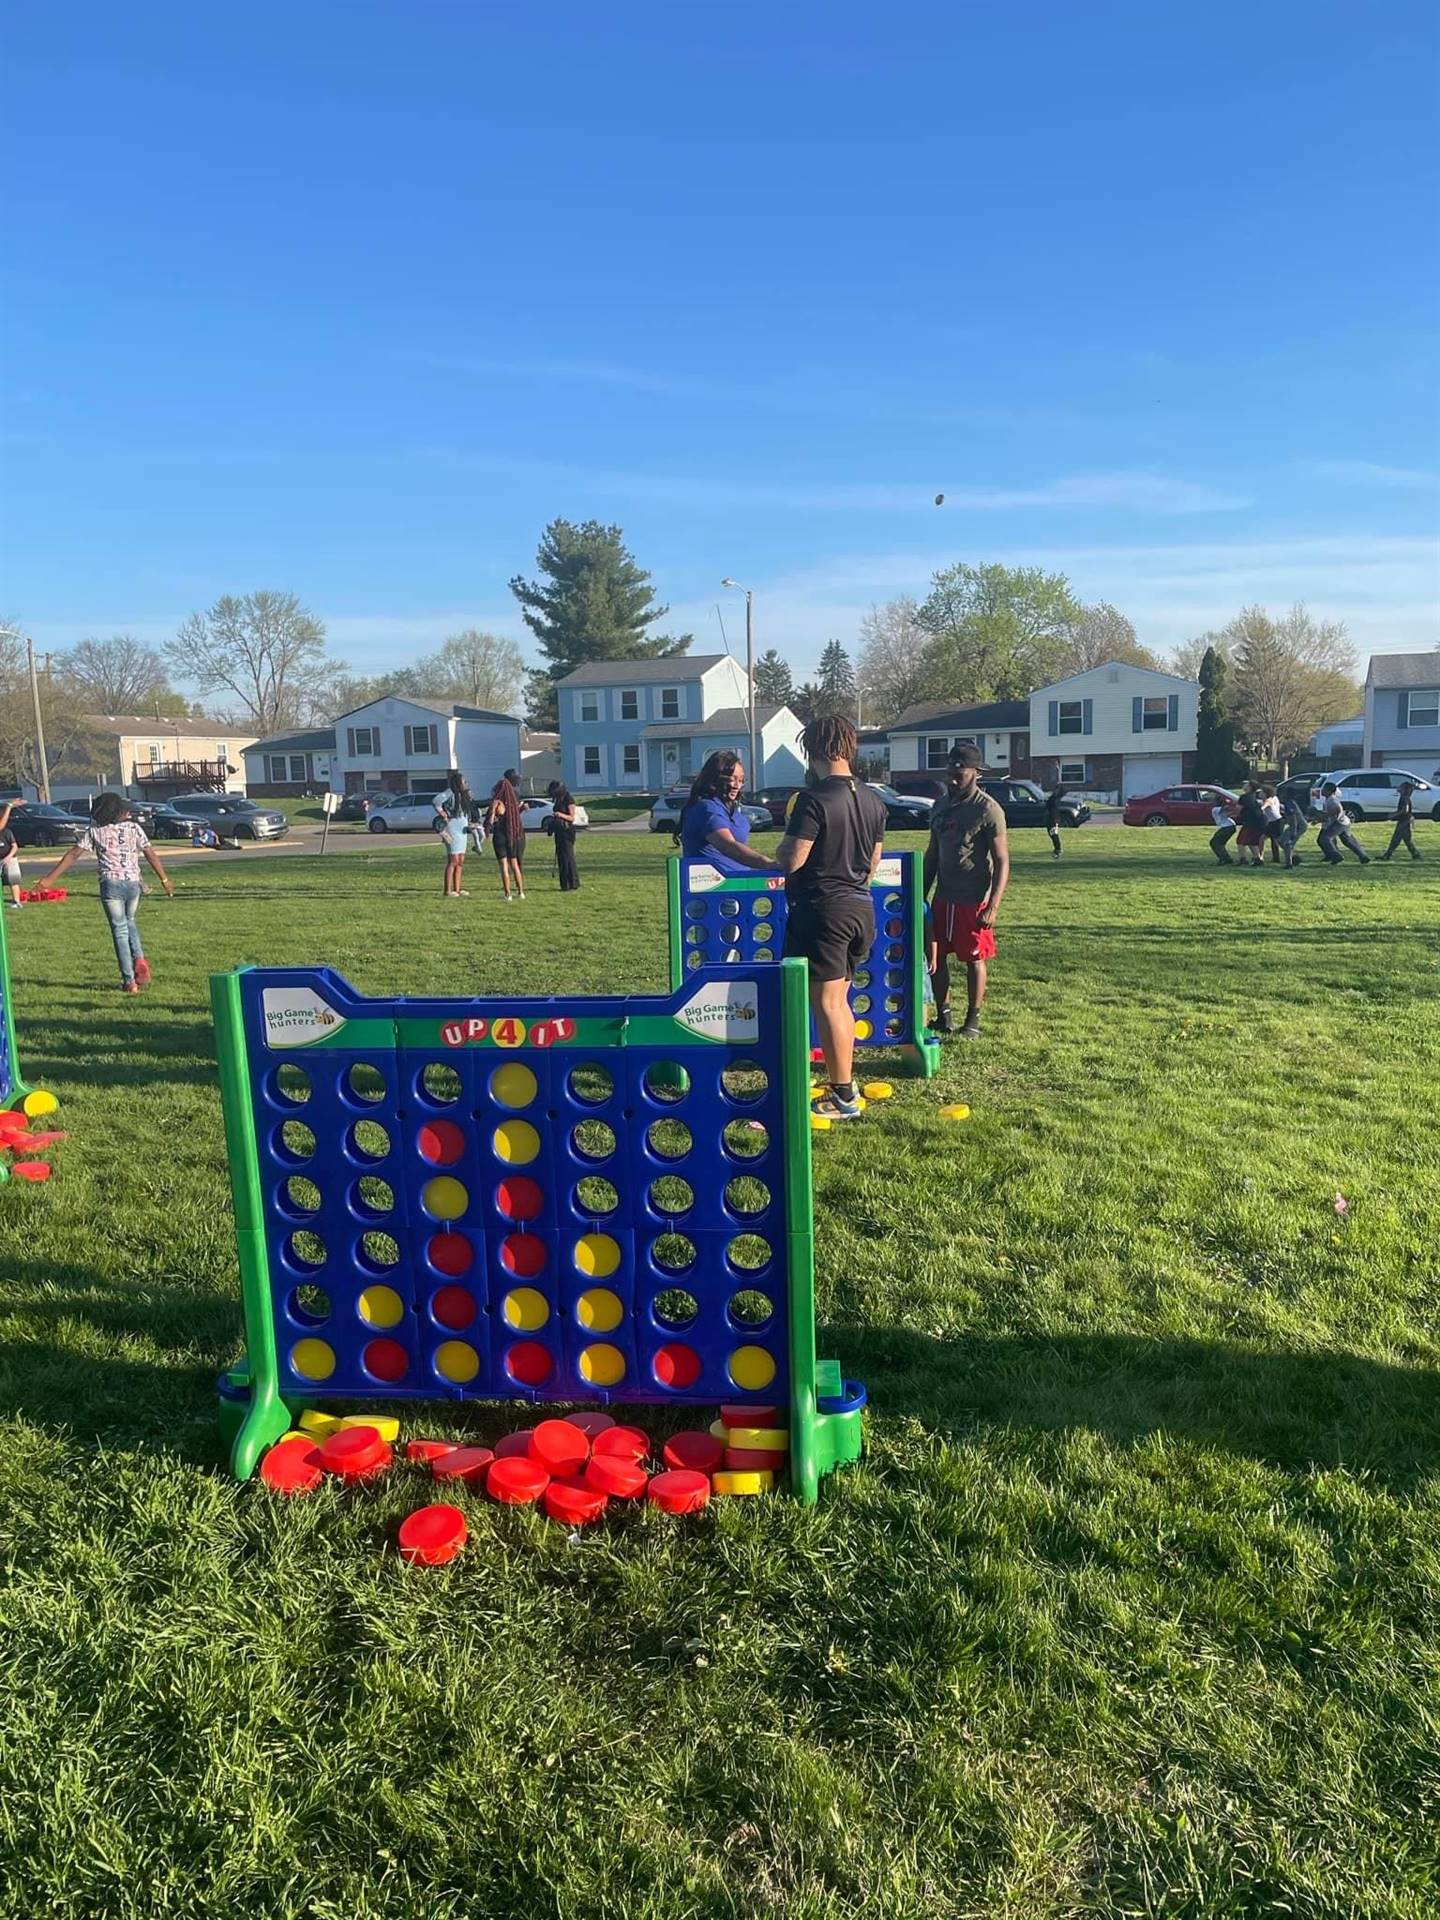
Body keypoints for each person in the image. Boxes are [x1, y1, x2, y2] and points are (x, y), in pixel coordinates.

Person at [771, 716, 886, 1121]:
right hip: (861, 908)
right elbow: (873, 862)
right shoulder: (874, 799)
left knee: (827, 1003)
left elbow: (792, 860)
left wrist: (782, 845)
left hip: (824, 909)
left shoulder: (813, 799)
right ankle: (842, 1083)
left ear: (814, 750)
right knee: (840, 1001)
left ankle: (843, 1096)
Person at [42, 792, 174, 992]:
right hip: (132, 883)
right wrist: (164, 879)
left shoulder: (96, 831)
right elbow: (150, 854)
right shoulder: (134, 828)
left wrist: (50, 878)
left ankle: (129, 981)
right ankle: (139, 957)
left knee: (119, 930)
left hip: (110, 883)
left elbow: (74, 854)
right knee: (130, 921)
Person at [923, 743, 1010, 1041]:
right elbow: (932, 854)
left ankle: (972, 1020)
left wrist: (993, 905)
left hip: (972, 899)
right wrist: (920, 895)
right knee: (936, 956)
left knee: (974, 958)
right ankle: (943, 1015)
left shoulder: (988, 810)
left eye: (959, 770)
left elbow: (1001, 860)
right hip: (943, 897)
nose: (953, 776)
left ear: (975, 772)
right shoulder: (939, 806)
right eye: (950, 770)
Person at [678, 750, 777, 873]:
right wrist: (767, 864)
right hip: (711, 887)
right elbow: (727, 845)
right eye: (732, 779)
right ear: (715, 778)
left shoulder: (730, 809)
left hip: (740, 882)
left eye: (741, 780)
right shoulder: (706, 808)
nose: (737, 785)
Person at [486, 770, 527, 901]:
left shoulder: (497, 803)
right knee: (514, 865)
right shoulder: (513, 804)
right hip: (511, 836)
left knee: (504, 866)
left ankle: (507, 894)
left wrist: (489, 824)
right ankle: (521, 892)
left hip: (499, 836)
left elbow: (491, 819)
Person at [437, 775, 473, 897]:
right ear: (458, 782)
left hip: (462, 830)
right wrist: (442, 812)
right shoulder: (450, 792)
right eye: (464, 781)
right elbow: (436, 801)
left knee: (461, 860)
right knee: (453, 860)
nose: (466, 783)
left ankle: (457, 889)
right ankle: (447, 890)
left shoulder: (464, 795)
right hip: (452, 828)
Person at [1317, 782, 1370, 865]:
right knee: (1348, 841)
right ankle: (1363, 857)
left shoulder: (1332, 800)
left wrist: (1328, 815)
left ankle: (1337, 856)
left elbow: (1337, 809)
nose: (1322, 790)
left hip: (1339, 823)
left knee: (1325, 838)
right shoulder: (1328, 799)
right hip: (1343, 822)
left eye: (1324, 789)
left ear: (1329, 791)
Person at [546, 780, 581, 891]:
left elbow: (572, 817)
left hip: (567, 831)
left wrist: (560, 814)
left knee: (568, 857)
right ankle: (564, 883)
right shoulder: (558, 799)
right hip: (559, 831)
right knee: (561, 857)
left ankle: (573, 882)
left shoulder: (568, 799)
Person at [1381, 781, 1421, 861]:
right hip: (1405, 820)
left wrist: (1394, 814)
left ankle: (1388, 855)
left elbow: (1405, 810)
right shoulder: (1404, 797)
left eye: (1401, 787)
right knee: (1403, 839)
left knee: (1398, 839)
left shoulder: (1404, 798)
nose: (1399, 788)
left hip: (1404, 821)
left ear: (1405, 789)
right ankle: (1415, 854)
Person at [1235, 782, 1268, 867]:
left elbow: (1238, 810)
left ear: (1250, 787)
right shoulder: (1255, 795)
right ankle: (1258, 859)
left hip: (1252, 821)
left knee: (1240, 840)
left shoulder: (1244, 797)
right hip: (1261, 820)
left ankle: (1243, 859)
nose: (1244, 785)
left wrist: (1235, 815)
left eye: (1246, 784)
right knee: (1252, 841)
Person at [0, 802, 24, 909]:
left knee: (13, 880)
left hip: (9, 858)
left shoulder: (7, 832)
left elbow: (15, 846)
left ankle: (16, 901)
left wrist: (9, 857)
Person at [1209, 794, 1238, 865]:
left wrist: (1231, 803)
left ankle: (1225, 859)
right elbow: (1228, 809)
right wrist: (1232, 803)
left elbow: (1227, 808)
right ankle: (1225, 858)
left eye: (1214, 800)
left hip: (1227, 827)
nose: (1212, 801)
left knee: (1215, 843)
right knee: (1218, 843)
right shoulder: (1216, 809)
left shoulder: (1216, 809)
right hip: (1229, 826)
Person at [1260, 786, 1286, 864]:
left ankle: (1289, 856)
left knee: (1277, 841)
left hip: (1277, 822)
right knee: (1261, 838)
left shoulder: (1268, 800)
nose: (1260, 793)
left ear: (1266, 793)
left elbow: (1262, 808)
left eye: (1262, 792)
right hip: (1272, 822)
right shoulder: (1274, 798)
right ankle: (1260, 857)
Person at [1045, 782, 1065, 859]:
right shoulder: (1053, 798)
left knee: (1053, 833)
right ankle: (1057, 849)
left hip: (1053, 818)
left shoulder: (1056, 799)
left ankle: (1058, 849)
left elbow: (1053, 809)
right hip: (1051, 818)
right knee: (1051, 833)